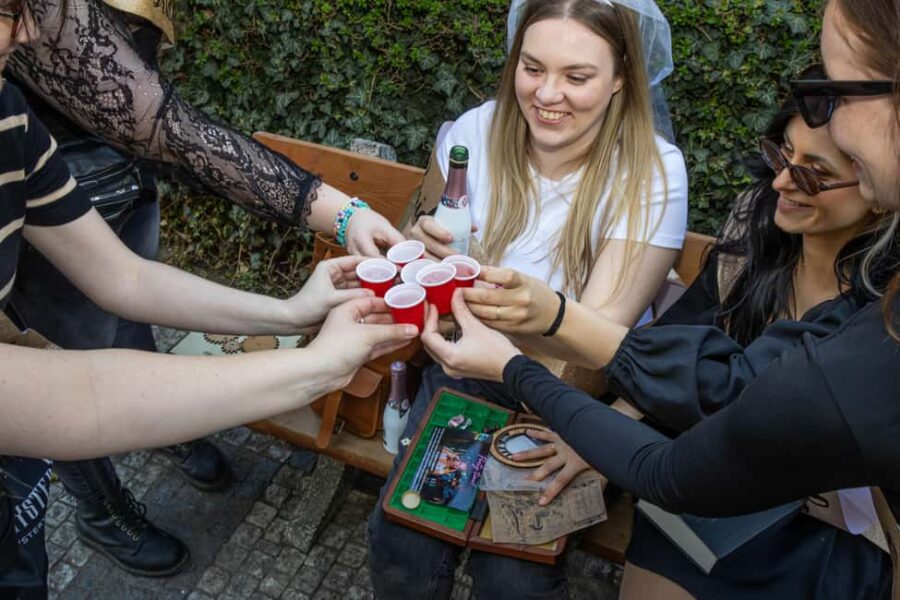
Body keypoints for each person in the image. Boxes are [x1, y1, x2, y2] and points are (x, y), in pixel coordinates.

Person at [422, 0, 900, 596]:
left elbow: (703, 411)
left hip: (789, 511)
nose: (782, 182)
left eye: (816, 173)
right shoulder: (758, 234)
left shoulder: (874, 305)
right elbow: (680, 355)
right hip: (697, 468)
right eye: (782, 158)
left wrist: (550, 336)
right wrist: (599, 429)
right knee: (416, 534)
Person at [0, 5, 417, 598]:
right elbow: (72, 397)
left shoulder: (8, 118)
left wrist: (291, 310)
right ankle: (101, 513)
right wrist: (318, 365)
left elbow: (125, 280)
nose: (30, 31)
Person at [369, 0, 688, 597]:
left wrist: (506, 351)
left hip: (576, 399)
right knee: (401, 547)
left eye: (577, 76)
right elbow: (423, 222)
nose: (547, 94)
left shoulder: (652, 172)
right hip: (464, 368)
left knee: (515, 576)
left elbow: (595, 348)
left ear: (622, 77)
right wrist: (415, 242)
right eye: (533, 67)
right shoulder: (476, 131)